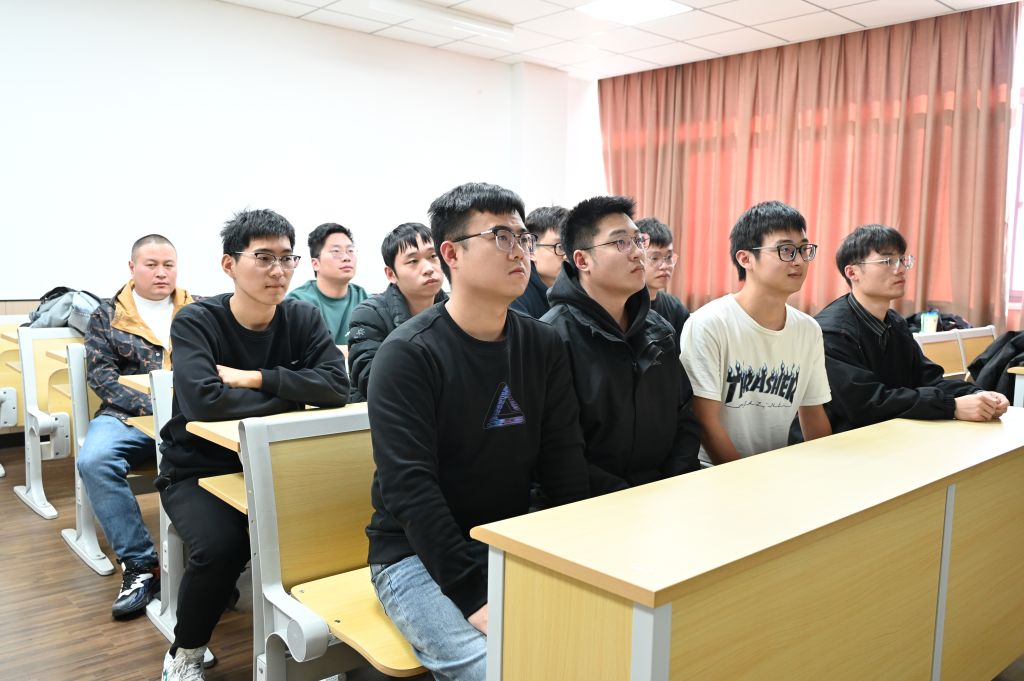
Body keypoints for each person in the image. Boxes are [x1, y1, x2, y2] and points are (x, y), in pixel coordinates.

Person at [366, 183, 590, 681]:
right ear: (452, 254)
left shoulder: (543, 343)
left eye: (523, 238)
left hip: (511, 538)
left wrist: (578, 557)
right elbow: (409, 489)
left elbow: (564, 462)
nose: (520, 251)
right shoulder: (407, 354)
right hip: (416, 556)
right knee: (503, 671)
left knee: (598, 645)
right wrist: (472, 595)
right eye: (501, 237)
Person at [156, 209, 349, 681]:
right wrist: (292, 394)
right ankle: (186, 651)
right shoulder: (196, 320)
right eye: (263, 258)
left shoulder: (301, 317)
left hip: (278, 463)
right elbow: (204, 403)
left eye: (286, 258)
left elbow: (336, 387)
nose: (278, 270)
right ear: (229, 264)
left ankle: (319, 645)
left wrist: (254, 378)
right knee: (221, 547)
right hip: (198, 468)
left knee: (334, 525)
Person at [542, 196, 700, 495]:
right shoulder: (553, 338)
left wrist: (674, 484)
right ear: (582, 260)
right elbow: (559, 450)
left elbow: (684, 418)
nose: (638, 253)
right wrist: (628, 497)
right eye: (621, 243)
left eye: (638, 241)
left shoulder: (659, 331)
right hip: (594, 503)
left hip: (666, 496)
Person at [80, 234, 193, 619]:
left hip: (189, 417)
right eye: (152, 265)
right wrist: (157, 407)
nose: (162, 273)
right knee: (95, 460)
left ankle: (211, 564)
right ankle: (142, 565)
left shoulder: (199, 309)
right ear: (132, 268)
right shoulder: (107, 314)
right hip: (126, 417)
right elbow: (102, 377)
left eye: (169, 265)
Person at [813, 224, 1008, 433]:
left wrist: (978, 395)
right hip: (845, 440)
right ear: (852, 272)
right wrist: (951, 406)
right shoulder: (831, 331)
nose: (901, 269)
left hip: (890, 431)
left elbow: (928, 379)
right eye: (888, 261)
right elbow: (866, 403)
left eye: (902, 260)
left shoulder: (895, 322)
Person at [680, 200, 832, 465]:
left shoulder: (808, 329)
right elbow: (705, 420)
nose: (799, 261)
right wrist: (746, 479)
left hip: (776, 469)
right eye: (786, 250)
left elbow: (813, 412)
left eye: (804, 249)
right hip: (713, 472)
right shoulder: (709, 323)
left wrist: (825, 469)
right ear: (745, 258)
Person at [347, 222, 447, 402]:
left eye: (433, 256)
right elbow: (371, 379)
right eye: (413, 261)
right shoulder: (369, 315)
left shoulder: (456, 309)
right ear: (391, 274)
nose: (428, 268)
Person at [286, 222, 367, 344]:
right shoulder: (298, 303)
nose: (347, 257)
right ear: (315, 264)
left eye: (350, 250)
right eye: (336, 251)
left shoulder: (365, 300)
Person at [636, 217, 689, 352]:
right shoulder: (623, 308)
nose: (665, 266)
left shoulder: (676, 308)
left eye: (669, 257)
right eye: (655, 258)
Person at [510, 205, 566, 318]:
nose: (568, 255)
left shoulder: (581, 285)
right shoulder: (516, 294)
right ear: (531, 250)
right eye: (560, 247)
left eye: (571, 246)